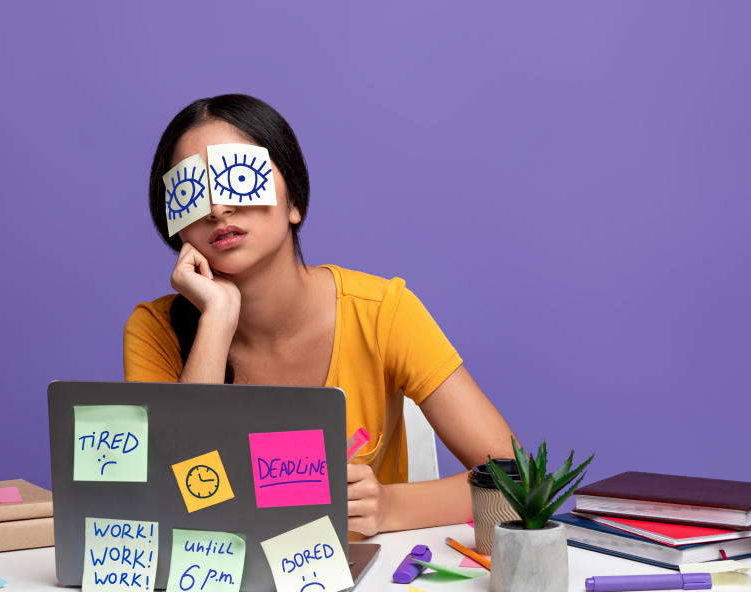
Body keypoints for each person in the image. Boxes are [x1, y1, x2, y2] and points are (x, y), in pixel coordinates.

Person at [124, 94, 516, 536]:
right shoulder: (154, 330)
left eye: (237, 178)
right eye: (192, 192)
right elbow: (170, 498)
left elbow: (519, 481)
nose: (218, 209)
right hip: (213, 587)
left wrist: (390, 507)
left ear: (295, 203)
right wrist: (216, 318)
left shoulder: (382, 312)